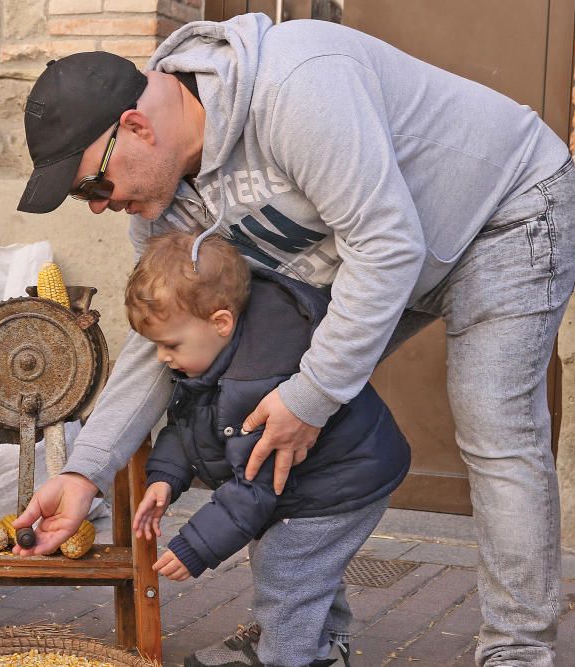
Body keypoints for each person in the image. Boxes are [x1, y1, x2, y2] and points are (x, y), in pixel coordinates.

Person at [13, 13, 575, 667]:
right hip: (385, 251)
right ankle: (311, 639)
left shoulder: (297, 86)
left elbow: (388, 246)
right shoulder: (163, 207)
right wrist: (87, 469)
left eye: (92, 183)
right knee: (261, 401)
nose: (95, 204)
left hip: (504, 212)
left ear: (136, 128)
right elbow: (159, 343)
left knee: (493, 422)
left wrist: (312, 396)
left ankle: (517, 650)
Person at [126, 230, 410, 667]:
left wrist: (195, 547)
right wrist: (166, 476)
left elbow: (253, 489)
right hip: (323, 480)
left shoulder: (255, 381)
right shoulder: (217, 354)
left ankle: (285, 656)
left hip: (343, 482)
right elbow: (187, 424)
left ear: (220, 322)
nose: (162, 358)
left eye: (171, 345)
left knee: (285, 567)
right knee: (308, 565)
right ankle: (325, 649)